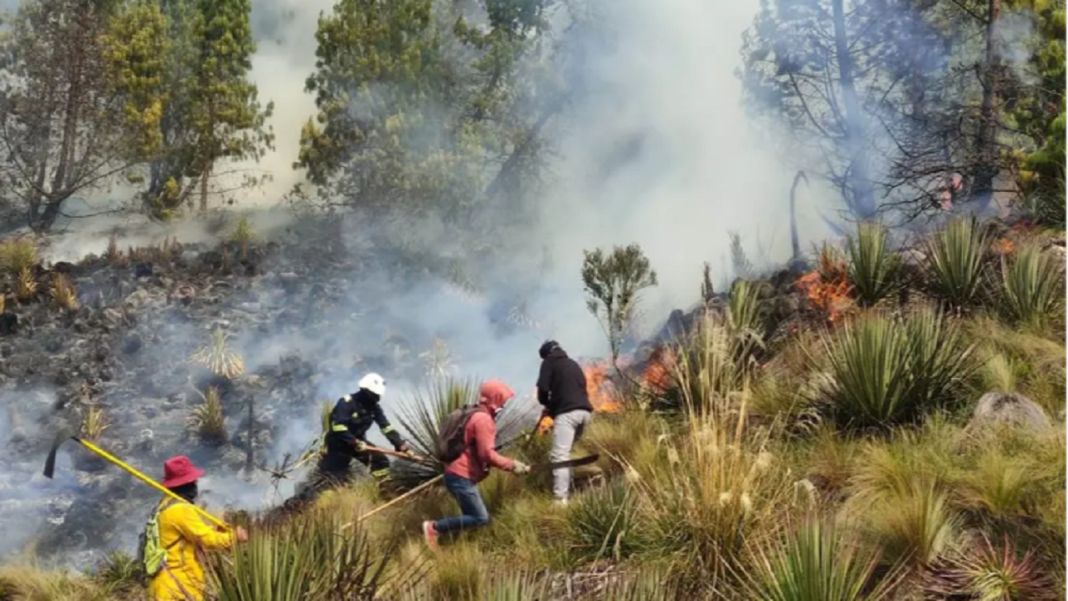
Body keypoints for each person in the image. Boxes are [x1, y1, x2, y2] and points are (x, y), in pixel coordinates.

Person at [421, 379, 530, 549]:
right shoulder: (483, 420)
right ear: (495, 399)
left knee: (472, 514)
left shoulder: (472, 413)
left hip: (455, 474)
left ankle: (462, 543)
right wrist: (513, 465)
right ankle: (434, 528)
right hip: (461, 476)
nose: (504, 405)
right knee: (480, 518)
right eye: (503, 400)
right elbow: (487, 454)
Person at [149, 455, 248, 601]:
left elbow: (193, 533)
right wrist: (235, 536)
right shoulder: (180, 509)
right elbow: (207, 540)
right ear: (187, 483)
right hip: (177, 587)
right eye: (193, 481)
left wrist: (215, 530)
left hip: (169, 584)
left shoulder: (165, 505)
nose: (195, 484)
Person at [536, 340, 593, 506]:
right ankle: (575, 487)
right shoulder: (573, 364)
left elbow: (543, 390)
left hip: (568, 415)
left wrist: (547, 405)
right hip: (585, 413)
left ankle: (561, 501)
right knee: (570, 453)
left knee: (559, 456)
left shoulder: (549, 362)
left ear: (546, 354)